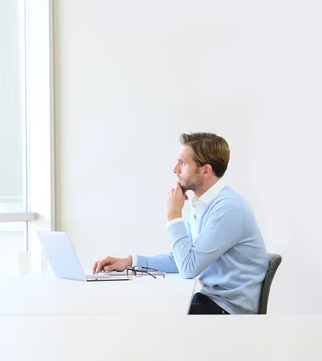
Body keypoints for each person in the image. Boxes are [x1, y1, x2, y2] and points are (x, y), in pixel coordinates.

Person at [92, 132, 268, 314]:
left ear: (205, 170)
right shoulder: (200, 205)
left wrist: (174, 215)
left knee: (149, 316)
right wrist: (129, 262)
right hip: (211, 300)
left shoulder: (228, 209)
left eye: (183, 163)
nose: (175, 169)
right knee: (142, 306)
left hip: (228, 311)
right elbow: (182, 259)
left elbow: (188, 268)